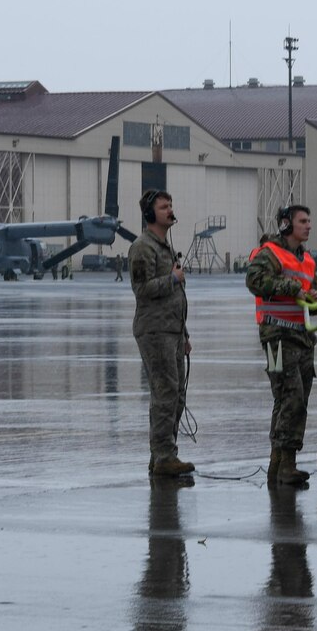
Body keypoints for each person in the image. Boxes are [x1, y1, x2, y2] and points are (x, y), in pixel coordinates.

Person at [246, 204, 317, 487]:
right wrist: (293, 288)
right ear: (287, 224)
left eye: (309, 220)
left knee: (296, 401)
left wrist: (314, 297)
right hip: (277, 337)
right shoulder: (270, 253)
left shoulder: (308, 261)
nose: (308, 226)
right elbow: (254, 280)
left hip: (302, 339)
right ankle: (283, 463)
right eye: (303, 221)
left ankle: (279, 463)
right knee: (290, 397)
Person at [130, 189, 195, 478]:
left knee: (177, 395)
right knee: (165, 394)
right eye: (164, 206)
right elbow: (141, 290)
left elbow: (175, 297)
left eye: (171, 205)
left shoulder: (165, 247)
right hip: (154, 331)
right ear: (149, 214)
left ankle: (162, 456)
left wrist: (185, 335)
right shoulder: (143, 247)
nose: (170, 210)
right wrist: (172, 279)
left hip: (173, 331)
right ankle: (164, 456)